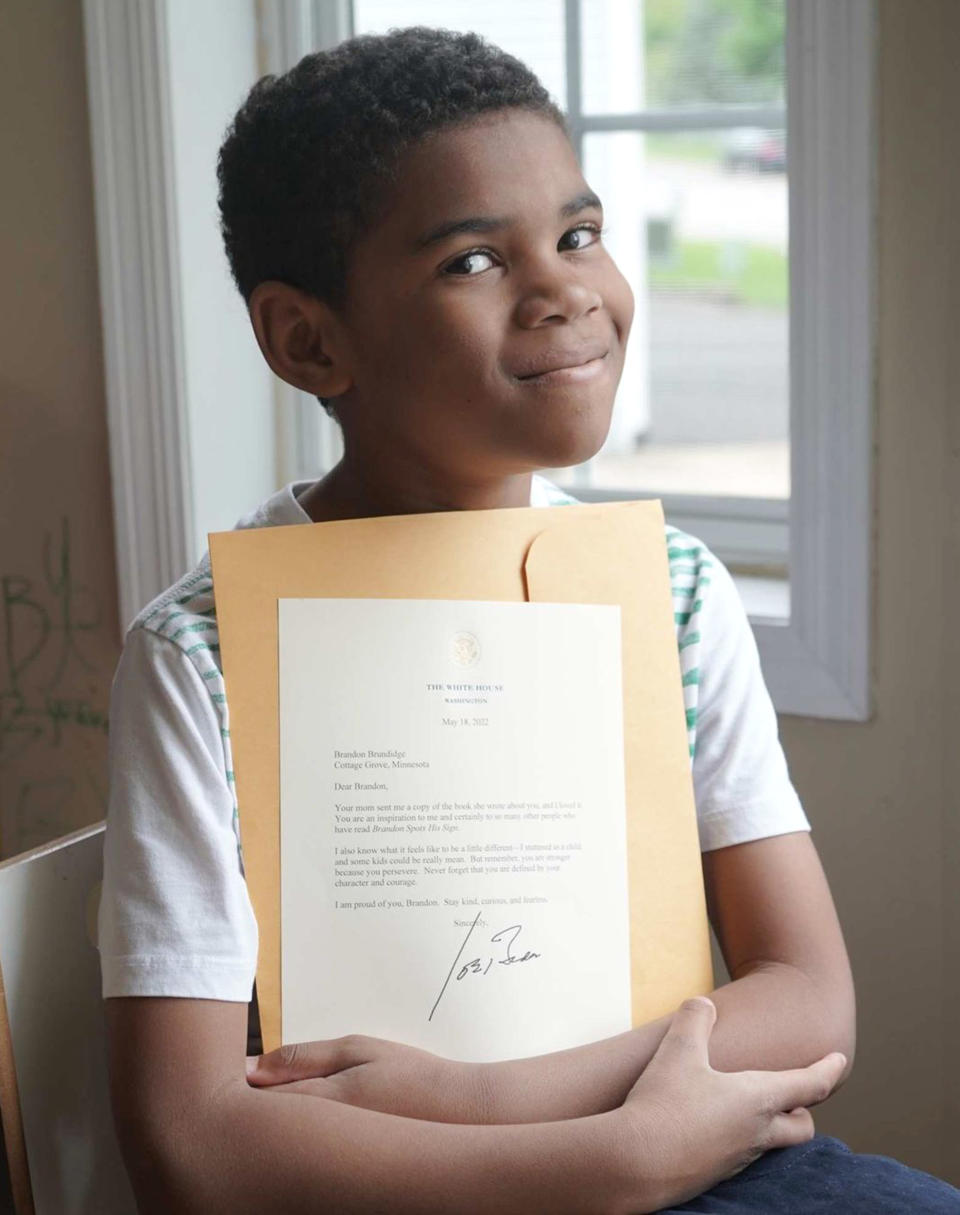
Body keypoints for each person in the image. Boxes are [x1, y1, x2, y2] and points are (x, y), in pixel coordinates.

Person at [98, 26, 960, 1214]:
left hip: (683, 1169)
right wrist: (597, 1166)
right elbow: (188, 1144)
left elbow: (809, 996)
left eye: (578, 235)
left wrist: (502, 1106)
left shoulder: (671, 589)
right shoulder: (202, 659)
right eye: (470, 263)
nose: (564, 290)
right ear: (309, 339)